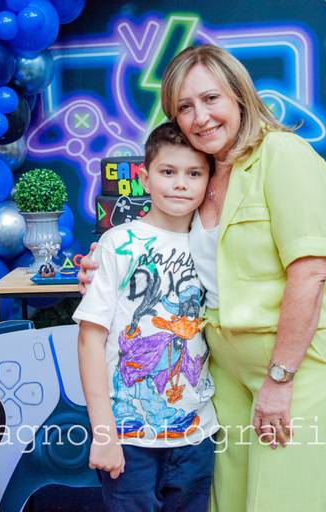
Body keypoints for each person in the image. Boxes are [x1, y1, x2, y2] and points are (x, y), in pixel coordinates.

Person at [80, 44, 326, 512]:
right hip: (224, 369)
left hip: (296, 364)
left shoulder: (284, 155)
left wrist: (280, 379)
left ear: (239, 96)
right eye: (185, 106)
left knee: (284, 500)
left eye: (211, 99)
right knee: (226, 499)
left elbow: (310, 273)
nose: (200, 117)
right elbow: (162, 247)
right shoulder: (205, 171)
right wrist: (100, 262)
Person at [73, 122, 218, 512]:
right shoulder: (118, 243)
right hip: (128, 436)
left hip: (196, 434)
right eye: (168, 171)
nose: (180, 184)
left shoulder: (211, 244)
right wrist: (104, 431)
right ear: (144, 177)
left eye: (194, 173)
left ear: (209, 181)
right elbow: (90, 340)